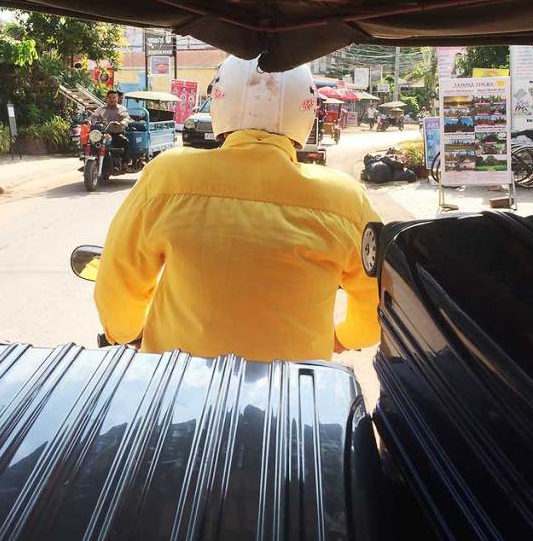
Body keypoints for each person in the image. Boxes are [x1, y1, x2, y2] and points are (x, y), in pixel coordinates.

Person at [94, 56, 381, 363]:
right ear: (306, 110)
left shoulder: (166, 176)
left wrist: (128, 331)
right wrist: (345, 337)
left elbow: (118, 287)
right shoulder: (346, 199)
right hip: (292, 387)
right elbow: (379, 301)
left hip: (179, 381)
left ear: (221, 100)